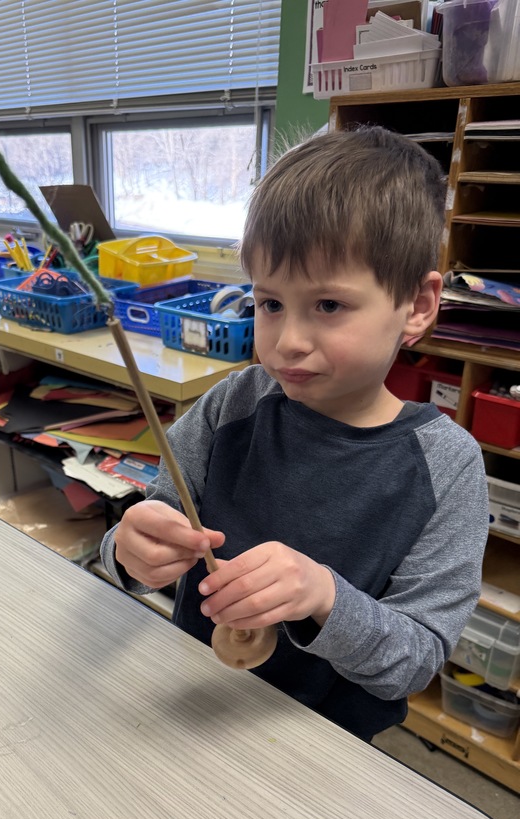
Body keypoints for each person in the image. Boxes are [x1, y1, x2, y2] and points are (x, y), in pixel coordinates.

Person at [99, 125, 488, 742]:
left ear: (416, 305)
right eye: (270, 303)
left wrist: (322, 595)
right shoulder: (234, 404)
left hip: (326, 744)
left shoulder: (448, 466)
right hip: (196, 704)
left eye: (329, 306)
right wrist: (125, 548)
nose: (287, 342)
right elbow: (144, 526)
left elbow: (414, 662)